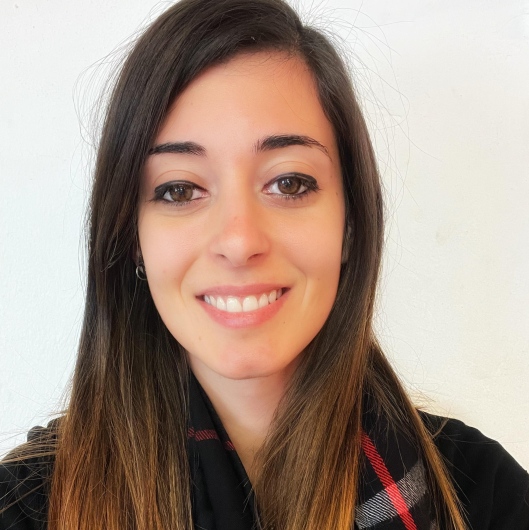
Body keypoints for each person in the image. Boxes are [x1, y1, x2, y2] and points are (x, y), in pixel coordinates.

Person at [1, 0, 528, 529]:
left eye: (289, 183)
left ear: (350, 222)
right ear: (132, 237)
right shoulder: (25, 506)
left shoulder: (485, 494)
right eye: (179, 189)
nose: (238, 241)